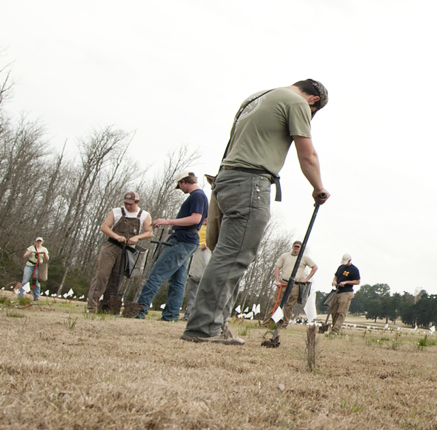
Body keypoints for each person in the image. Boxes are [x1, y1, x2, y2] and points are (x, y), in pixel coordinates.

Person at [182, 80, 328, 344]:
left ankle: (216, 324)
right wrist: (318, 187)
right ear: (314, 100)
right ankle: (204, 328)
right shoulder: (297, 103)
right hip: (251, 182)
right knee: (233, 256)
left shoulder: (255, 98)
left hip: (226, 179)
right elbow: (307, 155)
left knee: (227, 255)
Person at [133, 172, 207, 322]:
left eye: (180, 186)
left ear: (183, 182)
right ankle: (171, 315)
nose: (180, 189)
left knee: (156, 275)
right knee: (178, 281)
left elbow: (196, 218)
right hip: (189, 241)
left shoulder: (197, 196)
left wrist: (167, 222)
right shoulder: (201, 196)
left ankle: (139, 310)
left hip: (182, 241)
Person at [87, 192, 151, 313]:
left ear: (137, 202)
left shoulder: (144, 215)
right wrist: (116, 236)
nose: (128, 206)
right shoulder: (116, 211)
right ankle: (92, 305)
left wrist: (137, 238)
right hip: (111, 247)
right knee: (102, 275)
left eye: (130, 204)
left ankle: (107, 306)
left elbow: (149, 232)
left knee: (117, 278)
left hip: (126, 250)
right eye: (126, 203)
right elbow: (104, 227)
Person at [261, 239, 317, 347]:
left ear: (301, 249)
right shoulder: (285, 256)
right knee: (275, 303)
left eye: (298, 247)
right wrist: (277, 280)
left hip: (296, 284)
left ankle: (284, 324)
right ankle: (267, 323)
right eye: (295, 246)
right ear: (292, 247)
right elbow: (277, 267)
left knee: (289, 306)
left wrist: (306, 279)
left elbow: (315, 267)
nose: (296, 249)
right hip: (283, 282)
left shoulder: (305, 258)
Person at [328, 254, 359, 333]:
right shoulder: (341, 267)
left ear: (349, 260)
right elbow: (336, 276)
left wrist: (346, 282)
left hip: (346, 292)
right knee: (334, 311)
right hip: (338, 291)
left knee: (341, 312)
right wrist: (334, 281)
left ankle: (336, 330)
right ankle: (334, 327)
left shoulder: (354, 270)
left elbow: (357, 281)